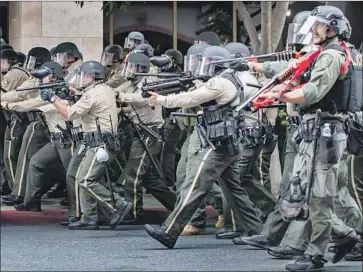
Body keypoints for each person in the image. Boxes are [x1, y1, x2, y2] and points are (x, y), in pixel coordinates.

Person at [256, 6, 360, 270]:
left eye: (319, 25)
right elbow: (294, 68)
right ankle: (344, 235)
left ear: (333, 29)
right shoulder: (323, 53)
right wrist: (265, 69)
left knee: (319, 195)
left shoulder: (332, 56)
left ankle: (315, 254)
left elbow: (313, 92)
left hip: (326, 132)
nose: (313, 29)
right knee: (305, 193)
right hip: (318, 131)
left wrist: (281, 96)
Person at [145, 46, 263, 249]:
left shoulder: (220, 82)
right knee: (234, 191)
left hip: (217, 145)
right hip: (228, 143)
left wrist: (162, 99)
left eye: (206, 63)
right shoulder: (232, 79)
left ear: (215, 64)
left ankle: (169, 231)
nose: (202, 67)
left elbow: (192, 98)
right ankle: (258, 231)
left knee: (193, 187)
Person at [40, 61, 133, 230]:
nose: (81, 79)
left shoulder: (94, 94)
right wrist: (71, 93)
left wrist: (53, 98)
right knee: (81, 177)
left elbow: (69, 113)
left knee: (86, 180)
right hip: (96, 141)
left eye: (83, 76)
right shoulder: (101, 89)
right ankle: (89, 217)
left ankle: (118, 204)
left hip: (100, 142)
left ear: (91, 76)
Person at [114, 53, 177, 224]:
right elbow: (122, 97)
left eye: (131, 67)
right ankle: (178, 206)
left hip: (151, 133)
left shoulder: (148, 82)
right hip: (140, 133)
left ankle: (134, 213)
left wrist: (120, 97)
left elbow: (142, 100)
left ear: (141, 68)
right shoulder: (130, 84)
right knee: (149, 179)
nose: (128, 70)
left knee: (134, 174)